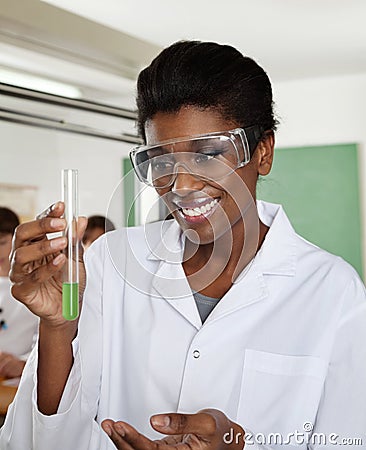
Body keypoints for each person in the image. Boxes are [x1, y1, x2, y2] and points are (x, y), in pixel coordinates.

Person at [1, 41, 365, 450]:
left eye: (208, 153)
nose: (181, 185)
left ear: (262, 152)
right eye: (160, 160)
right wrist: (58, 325)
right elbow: (35, 441)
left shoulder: (333, 292)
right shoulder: (109, 261)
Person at [0, 207, 39, 379]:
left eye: (1, 242)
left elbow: (50, 345)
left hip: (19, 382)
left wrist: (22, 364)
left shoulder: (35, 286)